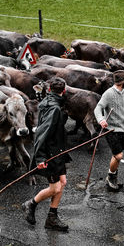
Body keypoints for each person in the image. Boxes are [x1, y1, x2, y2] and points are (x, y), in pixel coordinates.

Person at [22, 77, 71, 231]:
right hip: (51, 154)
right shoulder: (54, 108)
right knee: (55, 188)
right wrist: (41, 157)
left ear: (50, 90)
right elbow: (43, 133)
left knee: (62, 183)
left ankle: (52, 217)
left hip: (58, 152)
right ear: (63, 91)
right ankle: (30, 204)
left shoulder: (48, 102)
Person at [94, 70, 124, 191]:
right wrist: (101, 120)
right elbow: (98, 108)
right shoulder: (109, 94)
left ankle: (113, 177)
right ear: (123, 81)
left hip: (122, 129)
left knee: (117, 156)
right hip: (111, 130)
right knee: (118, 155)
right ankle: (110, 177)